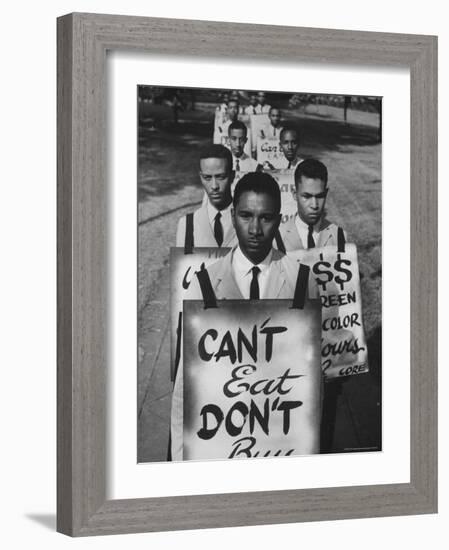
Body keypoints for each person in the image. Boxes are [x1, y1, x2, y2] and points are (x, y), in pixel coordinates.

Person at [170, 172, 313, 460]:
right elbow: (185, 391)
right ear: (233, 216)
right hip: (220, 442)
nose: (256, 229)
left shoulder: (303, 281)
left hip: (278, 444)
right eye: (246, 216)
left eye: (266, 218)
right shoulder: (204, 283)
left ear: (280, 218)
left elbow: (310, 385)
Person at [175, 145, 238, 248]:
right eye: (207, 178)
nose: (214, 186)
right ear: (200, 177)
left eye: (220, 177)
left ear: (232, 176)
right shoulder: (187, 225)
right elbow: (182, 263)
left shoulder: (249, 221)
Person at [278, 158, 346, 251]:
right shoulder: (278, 237)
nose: (314, 205)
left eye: (320, 196)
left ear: (326, 193)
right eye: (307, 196)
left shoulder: (339, 236)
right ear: (295, 194)